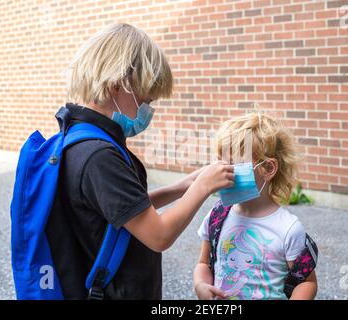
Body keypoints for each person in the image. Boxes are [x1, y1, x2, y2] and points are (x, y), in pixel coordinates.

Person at [46, 23, 234, 299]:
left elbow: (123, 210)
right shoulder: (99, 156)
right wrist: (201, 188)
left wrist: (182, 186)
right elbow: (159, 235)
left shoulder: (80, 136)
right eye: (145, 99)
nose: (148, 111)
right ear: (118, 84)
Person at [193, 113, 318, 300]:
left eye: (232, 164)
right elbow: (204, 263)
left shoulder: (289, 228)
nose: (220, 171)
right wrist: (200, 285)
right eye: (220, 162)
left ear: (268, 169)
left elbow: (307, 282)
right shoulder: (217, 216)